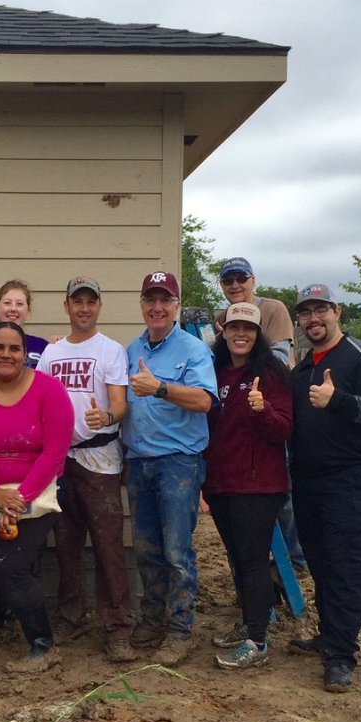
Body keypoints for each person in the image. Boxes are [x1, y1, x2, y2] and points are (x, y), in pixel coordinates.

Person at [0, 322, 74, 672]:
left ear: (26, 354)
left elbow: (55, 451)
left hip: (35, 494)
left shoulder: (49, 391)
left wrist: (19, 499)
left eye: (14, 348)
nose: (6, 354)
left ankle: (42, 645)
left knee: (12, 568)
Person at [289, 282, 361, 693]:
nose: (314, 319)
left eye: (321, 310)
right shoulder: (301, 369)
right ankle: (330, 635)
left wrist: (339, 401)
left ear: (338, 312)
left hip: (354, 478)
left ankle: (341, 657)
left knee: (347, 565)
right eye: (306, 313)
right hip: (309, 480)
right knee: (321, 562)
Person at [36, 276, 134, 662]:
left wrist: (106, 415)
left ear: (99, 307)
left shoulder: (111, 351)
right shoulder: (51, 354)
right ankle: (71, 614)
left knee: (109, 543)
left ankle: (118, 626)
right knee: (66, 541)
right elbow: (40, 400)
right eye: (77, 301)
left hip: (100, 460)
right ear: (66, 306)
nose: (84, 308)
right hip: (61, 460)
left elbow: (121, 405)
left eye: (91, 301)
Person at [123, 271, 218, 666]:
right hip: (138, 462)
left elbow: (204, 401)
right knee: (146, 549)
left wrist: (160, 387)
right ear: (142, 304)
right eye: (150, 299)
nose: (157, 307)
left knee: (178, 550)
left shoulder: (193, 349)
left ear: (176, 306)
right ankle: (151, 619)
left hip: (178, 463)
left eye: (165, 300)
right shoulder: (131, 348)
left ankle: (180, 629)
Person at [205, 303, 293, 670]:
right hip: (222, 483)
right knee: (238, 559)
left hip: (259, 485)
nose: (240, 334)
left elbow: (285, 428)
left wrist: (263, 410)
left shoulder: (271, 374)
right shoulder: (215, 372)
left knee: (254, 560)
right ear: (224, 332)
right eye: (234, 327)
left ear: (258, 335)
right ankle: (248, 621)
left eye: (249, 328)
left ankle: (258, 640)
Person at [215, 255, 304, 570]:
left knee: (282, 487)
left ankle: (294, 558)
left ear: (253, 281)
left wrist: (253, 379)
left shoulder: (273, 309)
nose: (235, 285)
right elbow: (216, 358)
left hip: (272, 402)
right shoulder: (223, 315)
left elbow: (279, 356)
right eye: (228, 280)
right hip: (241, 417)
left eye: (241, 278)